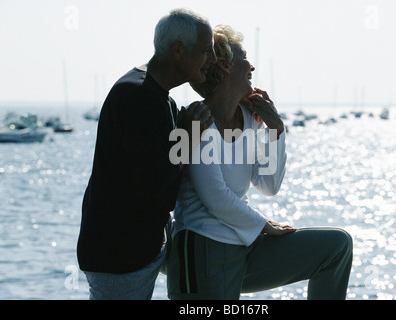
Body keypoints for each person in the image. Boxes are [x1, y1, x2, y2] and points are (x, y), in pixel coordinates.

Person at [165, 25, 353, 300]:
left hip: (245, 245)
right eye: (243, 57)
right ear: (226, 65)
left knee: (336, 246)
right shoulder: (197, 121)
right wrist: (265, 225)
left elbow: (268, 185)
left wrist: (276, 130)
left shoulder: (249, 117)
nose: (251, 65)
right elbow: (215, 197)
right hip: (202, 251)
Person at [76, 9, 216, 300]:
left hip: (125, 252)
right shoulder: (138, 97)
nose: (212, 60)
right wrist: (189, 137)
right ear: (179, 51)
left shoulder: (155, 95)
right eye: (206, 51)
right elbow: (156, 189)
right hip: (118, 259)